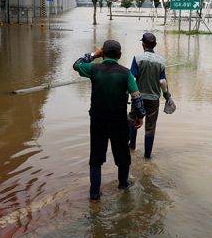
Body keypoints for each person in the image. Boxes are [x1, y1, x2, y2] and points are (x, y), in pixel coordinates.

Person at [73, 40, 146, 200]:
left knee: (96, 159)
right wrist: (140, 116)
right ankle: (123, 184)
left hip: (97, 120)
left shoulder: (93, 68)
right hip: (118, 121)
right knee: (122, 155)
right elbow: (136, 96)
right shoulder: (126, 73)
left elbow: (77, 64)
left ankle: (94, 194)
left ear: (103, 54)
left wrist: (93, 55)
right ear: (119, 55)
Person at [129, 32, 171, 158]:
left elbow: (132, 78)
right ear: (155, 45)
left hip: (138, 98)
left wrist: (126, 93)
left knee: (133, 120)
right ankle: (147, 156)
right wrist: (167, 95)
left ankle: (132, 146)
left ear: (143, 44)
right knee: (150, 127)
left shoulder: (137, 58)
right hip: (154, 99)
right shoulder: (161, 61)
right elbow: (162, 81)